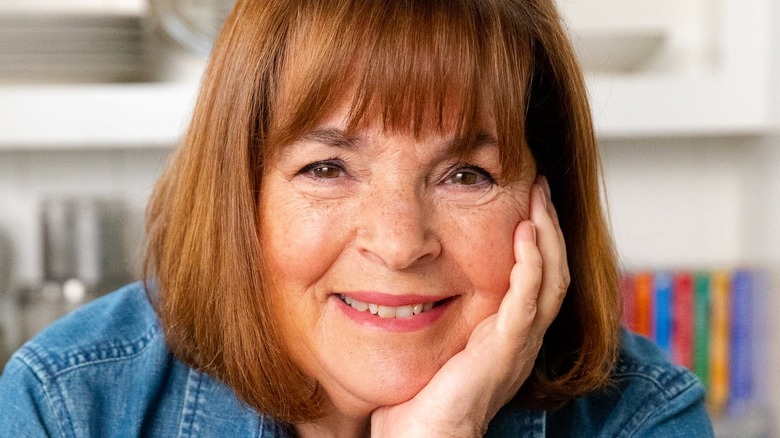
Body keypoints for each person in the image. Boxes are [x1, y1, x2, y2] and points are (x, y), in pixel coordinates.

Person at [0, 0, 714, 436]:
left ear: (546, 205)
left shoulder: (638, 417)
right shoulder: (68, 407)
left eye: (467, 175)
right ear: (238, 196)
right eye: (327, 169)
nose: (399, 242)